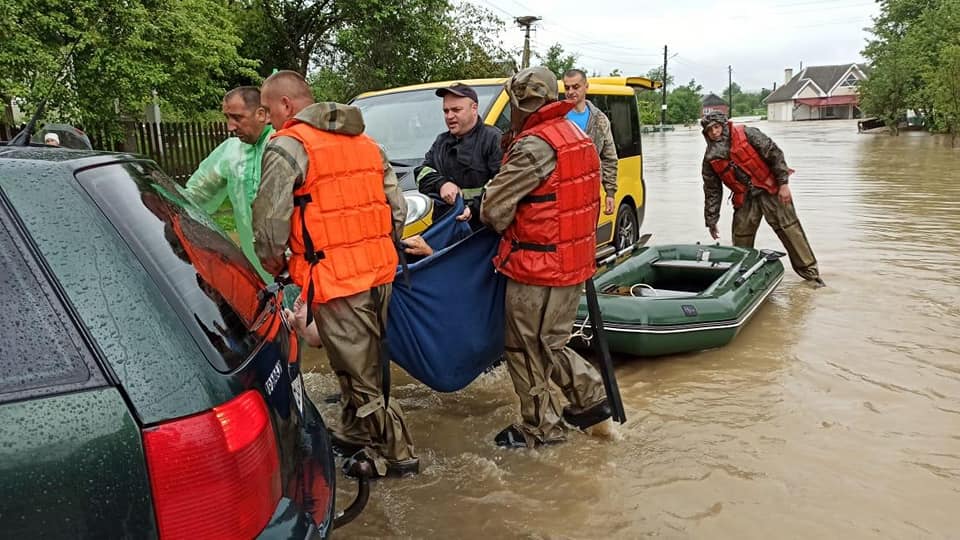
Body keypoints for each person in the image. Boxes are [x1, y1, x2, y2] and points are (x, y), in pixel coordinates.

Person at [252, 70, 418, 477]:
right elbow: (396, 210)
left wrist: (276, 265)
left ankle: (398, 457)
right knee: (366, 363)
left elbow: (270, 222)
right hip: (379, 274)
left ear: (287, 105)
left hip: (336, 279)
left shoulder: (288, 146)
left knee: (358, 373)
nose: (267, 118)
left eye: (269, 109)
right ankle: (354, 434)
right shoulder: (367, 145)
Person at [479, 66, 612, 449]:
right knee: (550, 343)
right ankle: (590, 398)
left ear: (521, 101)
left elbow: (494, 209)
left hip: (536, 265)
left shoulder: (534, 145)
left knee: (523, 348)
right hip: (573, 261)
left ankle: (541, 428)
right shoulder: (576, 134)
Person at [700, 111, 824, 286]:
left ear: (724, 125)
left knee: (790, 231)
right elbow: (712, 190)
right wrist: (711, 220)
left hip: (770, 189)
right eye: (709, 130)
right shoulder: (709, 159)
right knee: (741, 238)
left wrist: (783, 184)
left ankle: (812, 276)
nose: (714, 132)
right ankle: (741, 278)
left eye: (716, 127)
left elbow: (774, 154)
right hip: (745, 199)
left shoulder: (747, 133)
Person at [183, 86, 273, 282]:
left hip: (298, 272)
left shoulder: (284, 146)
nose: (230, 127)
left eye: (237, 118)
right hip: (257, 274)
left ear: (262, 114)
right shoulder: (231, 152)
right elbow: (198, 193)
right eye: (227, 118)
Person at [414, 82, 502, 227]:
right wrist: (441, 184)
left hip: (481, 231)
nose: (449, 116)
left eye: (456, 110)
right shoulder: (441, 142)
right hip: (446, 227)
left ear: (474, 108)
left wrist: (474, 208)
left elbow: (502, 185)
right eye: (446, 111)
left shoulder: (493, 139)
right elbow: (421, 173)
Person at [562, 69, 618, 216]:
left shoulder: (600, 120)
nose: (571, 91)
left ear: (586, 86)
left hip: (590, 193)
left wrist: (610, 192)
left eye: (576, 87)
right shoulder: (557, 118)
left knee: (589, 236)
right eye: (567, 87)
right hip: (562, 194)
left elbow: (609, 158)